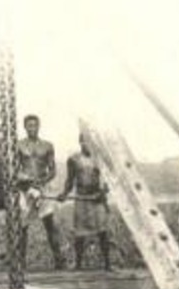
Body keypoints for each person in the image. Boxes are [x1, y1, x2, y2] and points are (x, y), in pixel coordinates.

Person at [15, 114, 64, 270]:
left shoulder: (47, 146)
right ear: (25, 127)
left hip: (42, 187)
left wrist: (41, 182)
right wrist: (24, 180)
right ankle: (20, 262)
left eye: (34, 125)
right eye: (29, 126)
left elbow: (53, 170)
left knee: (50, 224)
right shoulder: (18, 145)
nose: (32, 128)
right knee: (22, 226)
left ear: (38, 126)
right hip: (25, 189)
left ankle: (59, 261)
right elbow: (15, 169)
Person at [59, 133, 112, 271]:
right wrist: (64, 194)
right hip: (81, 198)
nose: (87, 145)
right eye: (84, 141)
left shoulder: (100, 159)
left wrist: (102, 193)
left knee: (103, 232)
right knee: (80, 233)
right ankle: (78, 264)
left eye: (90, 142)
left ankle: (108, 265)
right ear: (80, 142)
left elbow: (108, 181)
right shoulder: (73, 159)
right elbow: (70, 180)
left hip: (97, 199)